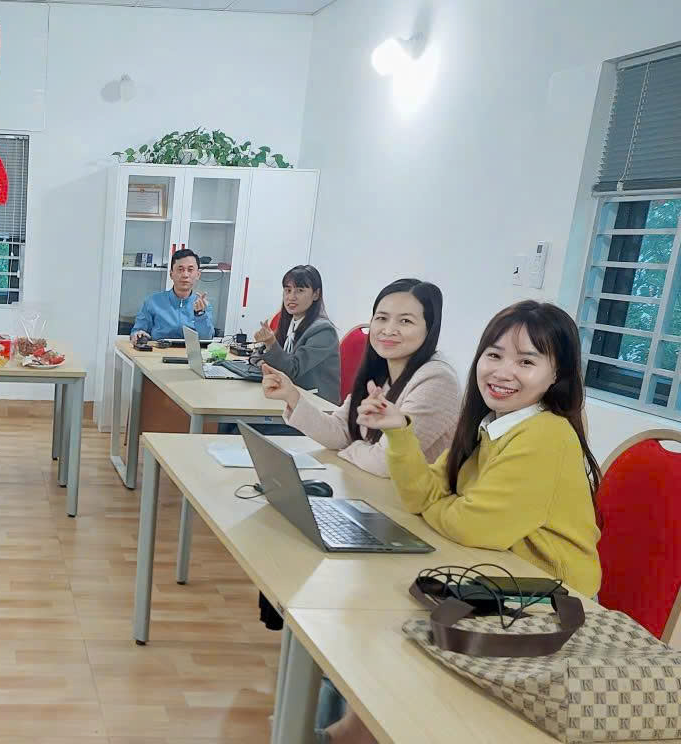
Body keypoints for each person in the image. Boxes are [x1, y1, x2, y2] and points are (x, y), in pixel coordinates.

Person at [321, 300, 603, 744]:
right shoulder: (489, 424)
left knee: (390, 649)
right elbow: (420, 495)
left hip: (548, 602)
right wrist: (398, 432)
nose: (503, 372)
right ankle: (341, 730)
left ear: (556, 375)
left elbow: (473, 526)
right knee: (369, 631)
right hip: (496, 582)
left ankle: (340, 733)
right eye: (494, 355)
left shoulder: (545, 434)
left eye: (526, 361)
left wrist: (444, 505)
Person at [262, 278, 460, 476]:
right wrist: (292, 396)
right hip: (373, 486)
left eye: (405, 321)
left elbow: (386, 462)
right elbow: (340, 431)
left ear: (429, 328)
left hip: (407, 495)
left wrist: (350, 449)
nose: (388, 330)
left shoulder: (437, 380)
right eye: (382, 318)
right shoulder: (381, 370)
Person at [253, 264, 341, 404]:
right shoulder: (290, 322)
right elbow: (257, 355)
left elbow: (292, 370)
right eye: (288, 290)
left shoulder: (323, 331)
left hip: (315, 404)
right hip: (289, 396)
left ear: (316, 294)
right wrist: (264, 360)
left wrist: (270, 343)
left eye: (300, 290)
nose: (291, 297)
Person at [129, 248, 213, 342]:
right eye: (180, 269)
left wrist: (200, 314)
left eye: (190, 270)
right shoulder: (153, 302)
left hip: (190, 351)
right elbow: (137, 331)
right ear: (171, 274)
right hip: (159, 350)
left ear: (198, 275)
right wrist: (138, 334)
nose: (185, 275)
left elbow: (207, 339)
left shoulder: (203, 305)